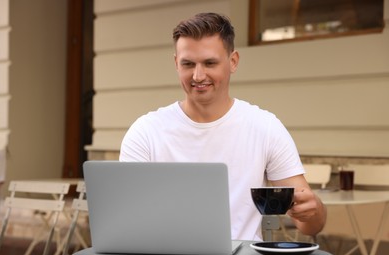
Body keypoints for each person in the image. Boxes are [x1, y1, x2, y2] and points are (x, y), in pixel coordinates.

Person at [120, 12, 326, 241]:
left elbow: (310, 226)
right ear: (176, 63)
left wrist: (313, 210)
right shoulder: (145, 132)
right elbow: (127, 220)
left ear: (233, 61)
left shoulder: (265, 128)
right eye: (188, 64)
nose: (198, 76)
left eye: (210, 63)